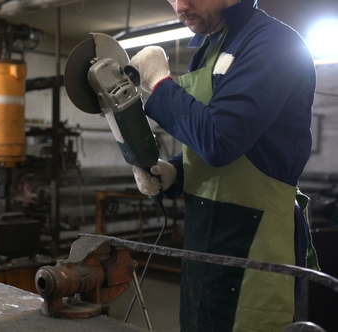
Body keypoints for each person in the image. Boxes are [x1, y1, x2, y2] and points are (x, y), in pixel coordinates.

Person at [129, 0, 319, 331]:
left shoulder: (274, 43)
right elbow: (216, 139)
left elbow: (221, 140)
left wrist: (160, 84)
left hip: (255, 236)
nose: (180, 6)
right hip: (204, 238)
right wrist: (175, 172)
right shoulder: (209, 49)